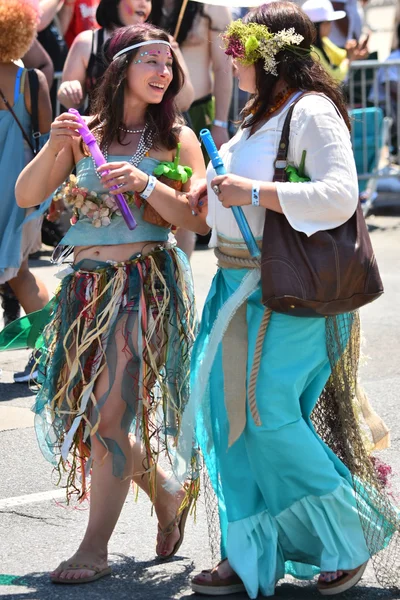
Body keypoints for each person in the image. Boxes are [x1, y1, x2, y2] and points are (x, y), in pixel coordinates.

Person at [177, 2, 399, 597]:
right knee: (230, 425)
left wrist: (250, 189)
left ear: (269, 50)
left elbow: (336, 194)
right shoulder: (257, 113)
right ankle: (248, 554)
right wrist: (209, 192)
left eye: (239, 41)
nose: (230, 52)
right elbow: (250, 188)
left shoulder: (312, 109)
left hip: (283, 290)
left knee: (268, 418)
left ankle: (347, 536)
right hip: (233, 286)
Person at [16, 22, 208, 583]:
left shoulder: (177, 138)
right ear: (122, 65)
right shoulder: (85, 134)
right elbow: (28, 196)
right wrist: (55, 142)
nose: (163, 72)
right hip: (83, 290)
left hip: (141, 286)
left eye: (168, 63)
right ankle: (168, 493)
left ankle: (94, 547)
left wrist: (147, 186)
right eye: (151, 60)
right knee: (88, 421)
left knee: (109, 417)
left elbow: (198, 217)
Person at [150, 0, 233, 256]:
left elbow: (222, 67)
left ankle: (181, 275)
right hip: (154, 110)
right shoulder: (147, 5)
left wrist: (220, 122)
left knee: (188, 201)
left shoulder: (213, 7)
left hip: (196, 111)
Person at [0, 0, 52, 379]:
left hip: (14, 188)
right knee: (19, 273)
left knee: (19, 275)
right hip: (20, 189)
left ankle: (49, 346)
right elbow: (49, 142)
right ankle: (51, 347)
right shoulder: (32, 81)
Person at [58, 0, 194, 114]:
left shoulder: (162, 45)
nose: (143, 4)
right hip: (98, 135)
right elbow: (68, 101)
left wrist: (174, 58)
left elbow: (184, 103)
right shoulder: (87, 42)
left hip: (149, 134)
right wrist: (68, 89)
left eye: (148, 0)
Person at [302, 0, 368, 83]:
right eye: (328, 22)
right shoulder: (311, 51)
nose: (331, 25)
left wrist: (354, 53)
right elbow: (333, 77)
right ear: (316, 26)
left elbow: (341, 56)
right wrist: (349, 59)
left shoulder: (324, 41)